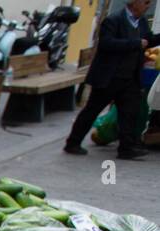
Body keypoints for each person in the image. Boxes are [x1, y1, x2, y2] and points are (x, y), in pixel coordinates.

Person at [65, 0, 160, 160]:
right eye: (145, 3)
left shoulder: (141, 22)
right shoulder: (114, 20)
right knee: (92, 110)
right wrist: (135, 43)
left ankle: (126, 148)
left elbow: (147, 40)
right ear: (134, 3)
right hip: (109, 77)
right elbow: (107, 44)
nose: (148, 6)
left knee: (129, 113)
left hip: (129, 78)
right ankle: (72, 142)